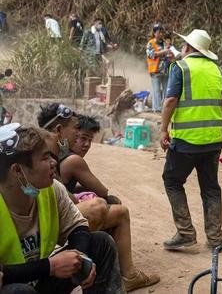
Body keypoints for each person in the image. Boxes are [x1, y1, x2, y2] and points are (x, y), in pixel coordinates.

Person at [37, 104, 158, 291]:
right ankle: (129, 274)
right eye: (76, 130)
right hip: (47, 229)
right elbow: (99, 191)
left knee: (100, 226)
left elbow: (59, 190)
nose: (78, 136)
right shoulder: (59, 158)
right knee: (105, 206)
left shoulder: (44, 153)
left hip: (47, 224)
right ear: (59, 130)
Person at [0, 124, 123, 293]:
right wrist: (51, 266)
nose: (53, 163)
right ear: (18, 171)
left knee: (101, 242)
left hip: (37, 281)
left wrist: (79, 258)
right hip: (12, 285)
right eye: (45, 158)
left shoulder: (51, 189)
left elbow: (78, 226)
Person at [160, 29, 222, 251]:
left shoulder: (180, 67)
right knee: (210, 188)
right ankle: (215, 238)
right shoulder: (218, 71)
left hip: (186, 141)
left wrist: (163, 130)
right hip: (213, 141)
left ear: (188, 48)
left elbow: (170, 100)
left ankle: (186, 232)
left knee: (172, 181)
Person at [146, 23, 172, 112]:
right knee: (156, 91)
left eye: (162, 32)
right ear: (154, 33)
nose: (161, 34)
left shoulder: (165, 43)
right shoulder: (151, 43)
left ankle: (165, 109)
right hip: (155, 71)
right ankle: (157, 110)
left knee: (166, 91)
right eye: (159, 32)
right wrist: (164, 52)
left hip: (165, 71)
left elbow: (169, 54)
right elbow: (151, 55)